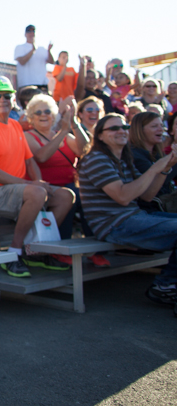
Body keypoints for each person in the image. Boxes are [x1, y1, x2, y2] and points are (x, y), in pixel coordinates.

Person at [0, 76, 75, 278]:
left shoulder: (16, 125)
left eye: (7, 96)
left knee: (66, 196)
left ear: (13, 100)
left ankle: (35, 250)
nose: (2, 100)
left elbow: (30, 161)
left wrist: (39, 182)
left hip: (17, 188)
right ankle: (14, 252)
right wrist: (32, 184)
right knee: (35, 192)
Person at [78, 114, 177, 310]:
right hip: (114, 225)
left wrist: (165, 168)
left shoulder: (124, 159)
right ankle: (165, 285)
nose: (121, 130)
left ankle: (167, 284)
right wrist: (153, 169)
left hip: (133, 217)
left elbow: (148, 195)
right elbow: (122, 197)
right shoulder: (96, 159)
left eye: (124, 126)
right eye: (114, 128)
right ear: (100, 136)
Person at [24, 94, 93, 251]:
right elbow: (41, 157)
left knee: (89, 196)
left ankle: (93, 247)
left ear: (54, 115)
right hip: (47, 187)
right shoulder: (28, 136)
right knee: (70, 195)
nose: (43, 115)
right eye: (38, 112)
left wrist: (74, 122)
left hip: (71, 185)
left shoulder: (65, 135)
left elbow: (84, 150)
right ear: (31, 117)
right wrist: (62, 132)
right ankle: (60, 248)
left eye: (47, 111)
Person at [129, 112, 177, 212]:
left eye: (161, 126)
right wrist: (171, 163)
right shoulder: (135, 155)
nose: (161, 129)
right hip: (149, 210)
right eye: (154, 126)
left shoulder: (157, 154)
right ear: (140, 130)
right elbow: (152, 191)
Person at [14, 25, 54, 92]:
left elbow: (52, 62)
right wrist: (32, 50)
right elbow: (22, 62)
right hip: (26, 84)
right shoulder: (19, 47)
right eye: (29, 31)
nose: (31, 33)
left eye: (33, 31)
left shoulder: (42, 49)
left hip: (42, 85)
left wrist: (49, 51)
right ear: (25, 34)